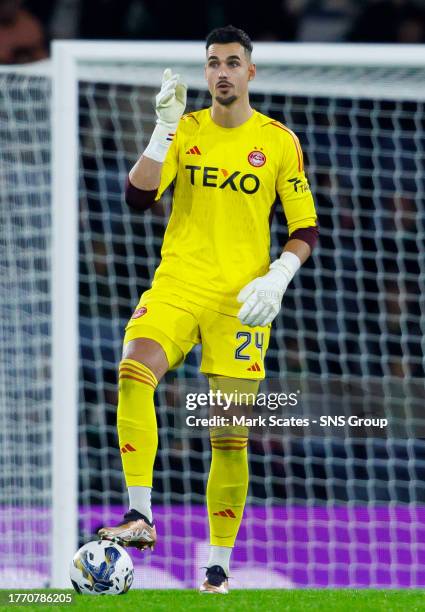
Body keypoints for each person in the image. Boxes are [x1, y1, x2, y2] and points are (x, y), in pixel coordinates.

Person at [98, 24, 318, 594]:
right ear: (206, 72)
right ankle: (140, 515)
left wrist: (279, 275)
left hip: (240, 305)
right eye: (213, 63)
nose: (222, 71)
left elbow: (305, 228)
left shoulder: (278, 141)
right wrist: (162, 130)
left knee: (228, 435)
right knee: (133, 369)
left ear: (251, 72)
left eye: (233, 62)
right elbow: (137, 199)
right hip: (177, 285)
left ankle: (217, 568)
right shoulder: (186, 127)